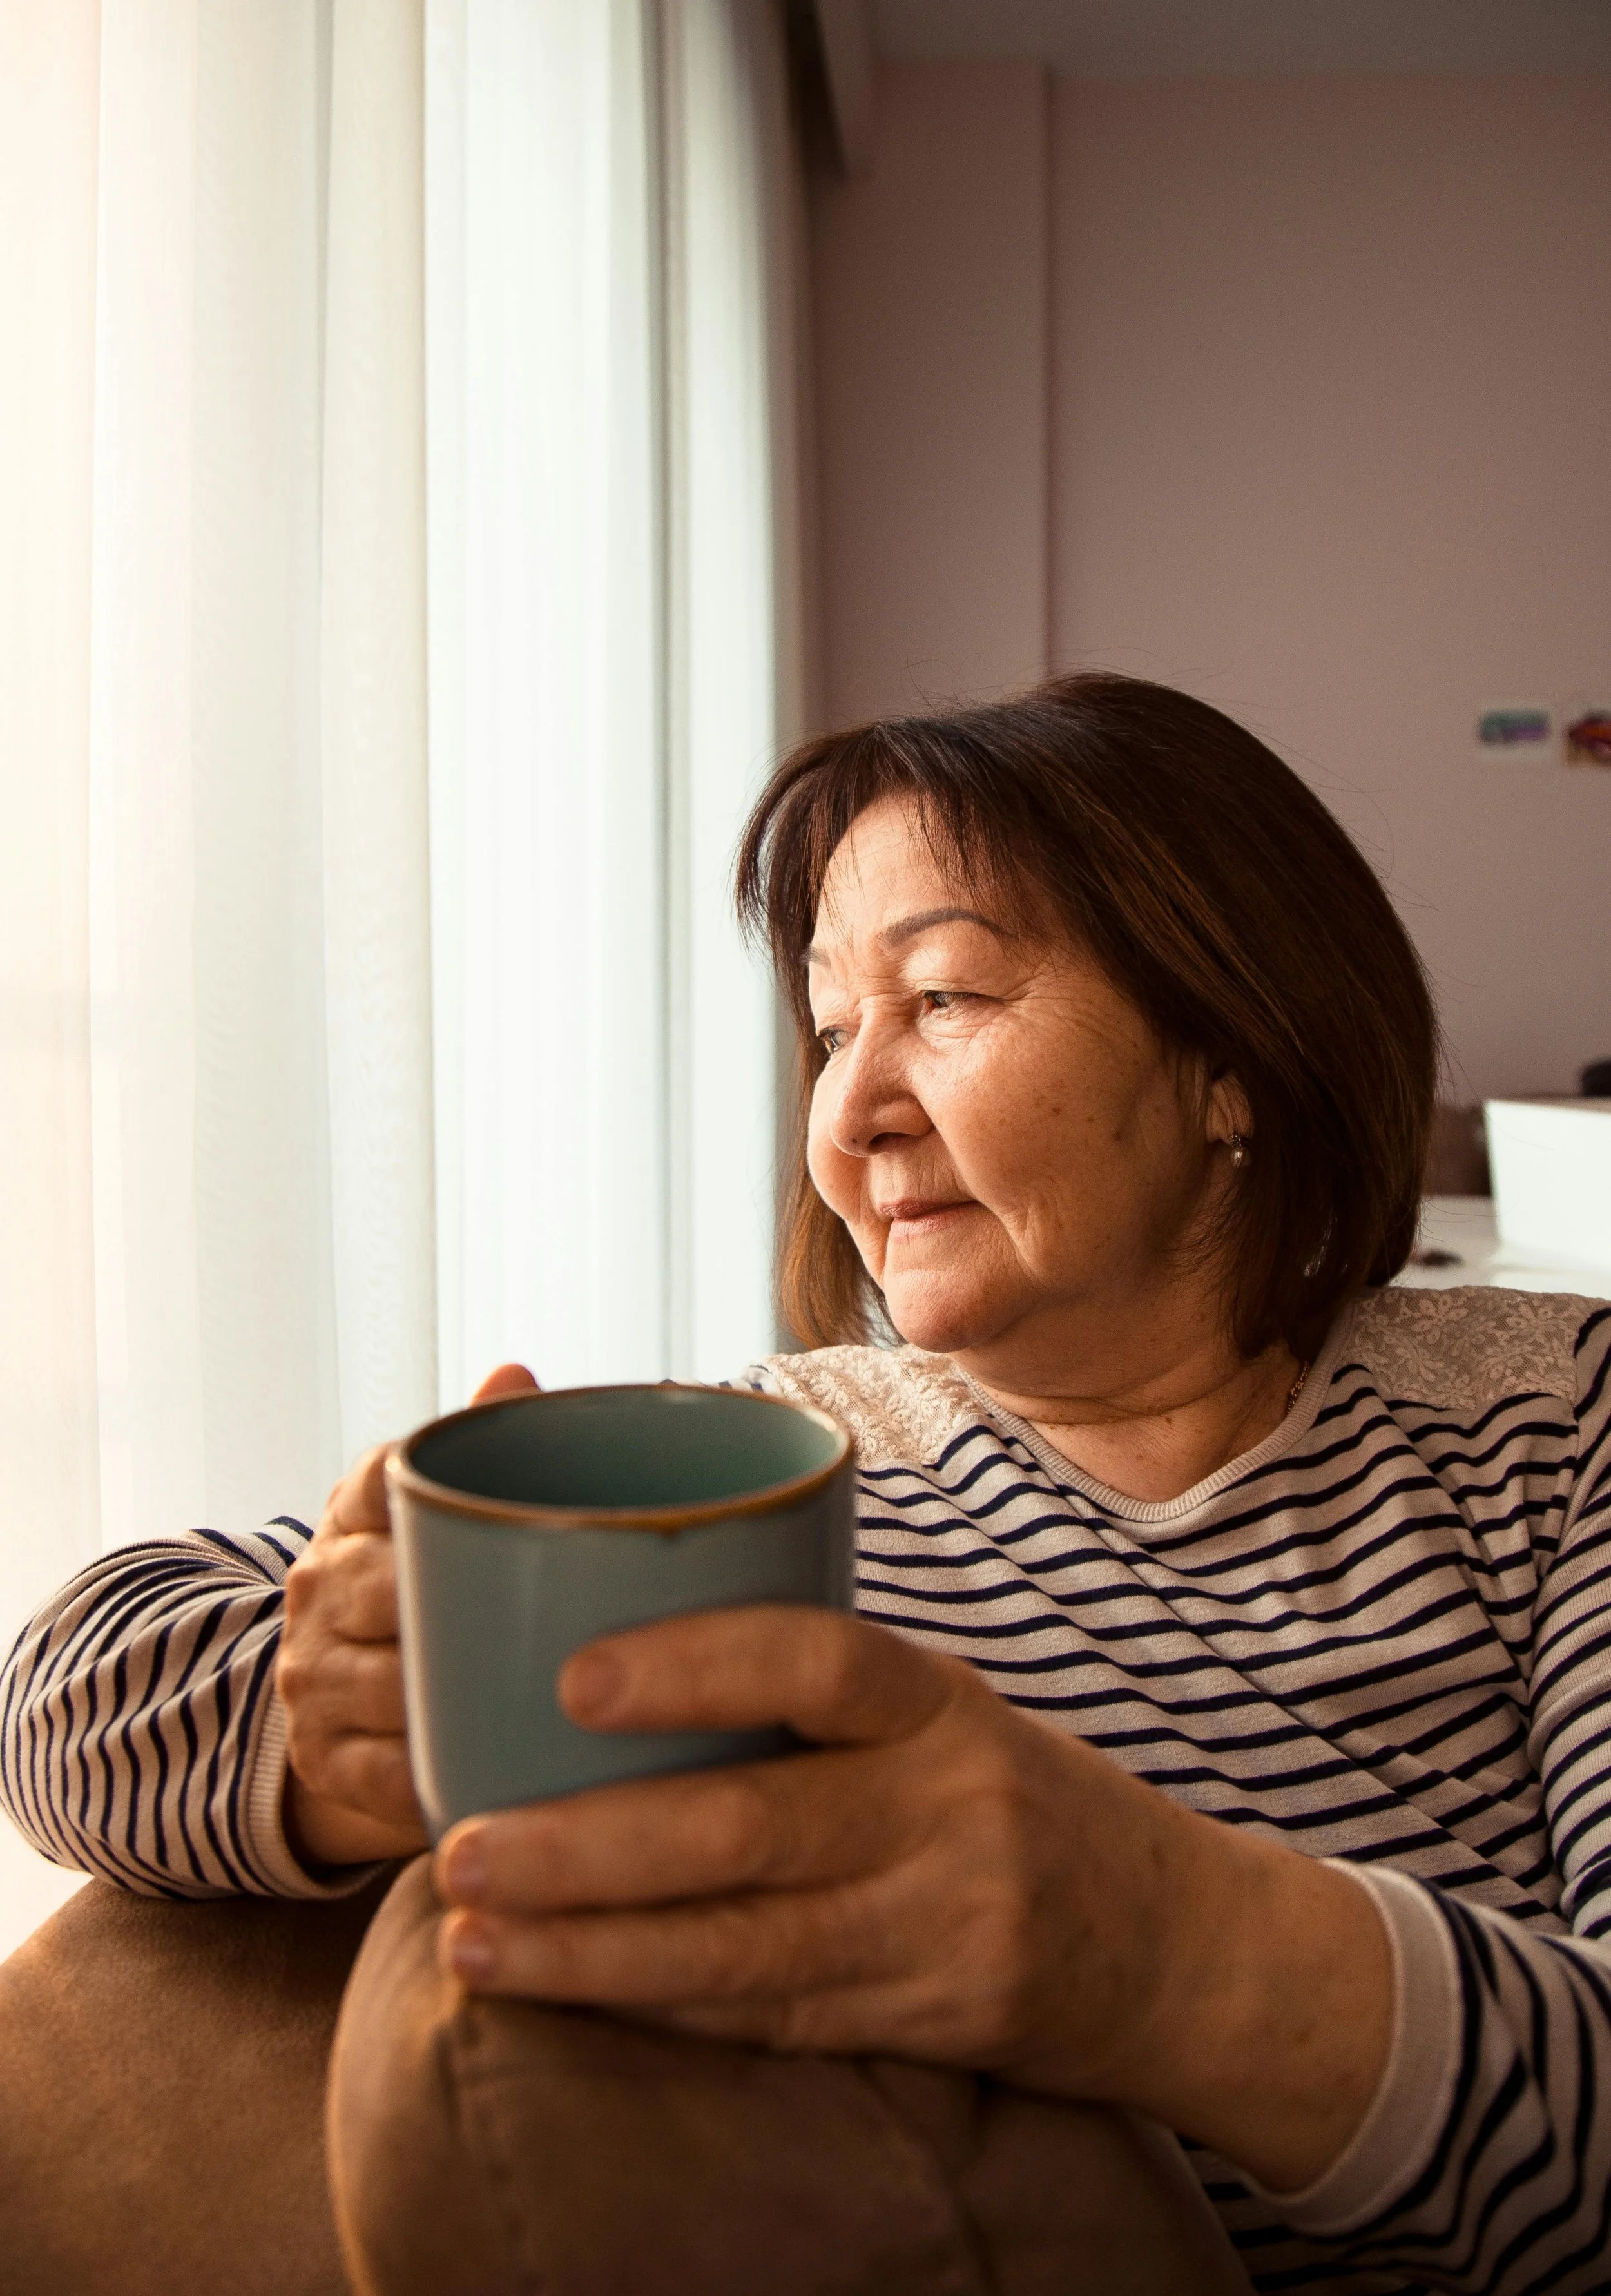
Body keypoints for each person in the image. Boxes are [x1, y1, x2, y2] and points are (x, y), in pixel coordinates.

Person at [5, 673, 1610, 2295]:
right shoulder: (755, 1472)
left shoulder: (1554, 1422)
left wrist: (1157, 1949)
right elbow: (66, 1683)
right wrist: (335, 1714)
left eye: (946, 997)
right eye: (832, 1028)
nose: (845, 1113)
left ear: (1228, 1057)